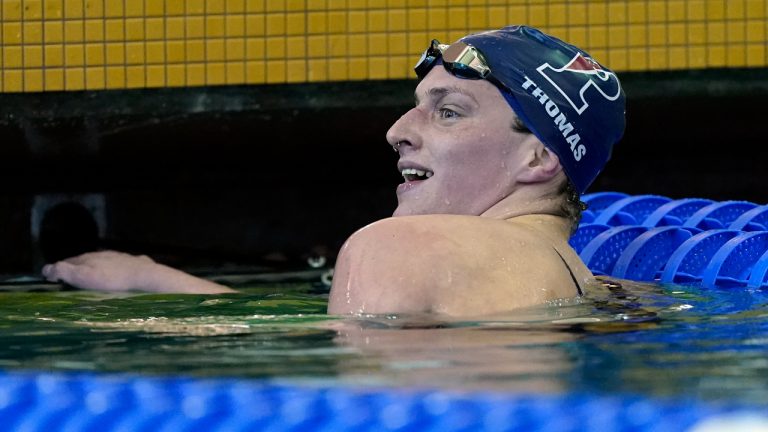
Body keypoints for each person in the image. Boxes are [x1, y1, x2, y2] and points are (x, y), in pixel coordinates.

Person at [42, 26, 626, 316]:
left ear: (538, 158)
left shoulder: (401, 245)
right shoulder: (591, 286)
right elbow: (351, 334)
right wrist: (157, 280)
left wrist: (155, 322)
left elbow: (338, 382)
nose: (398, 131)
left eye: (448, 112)